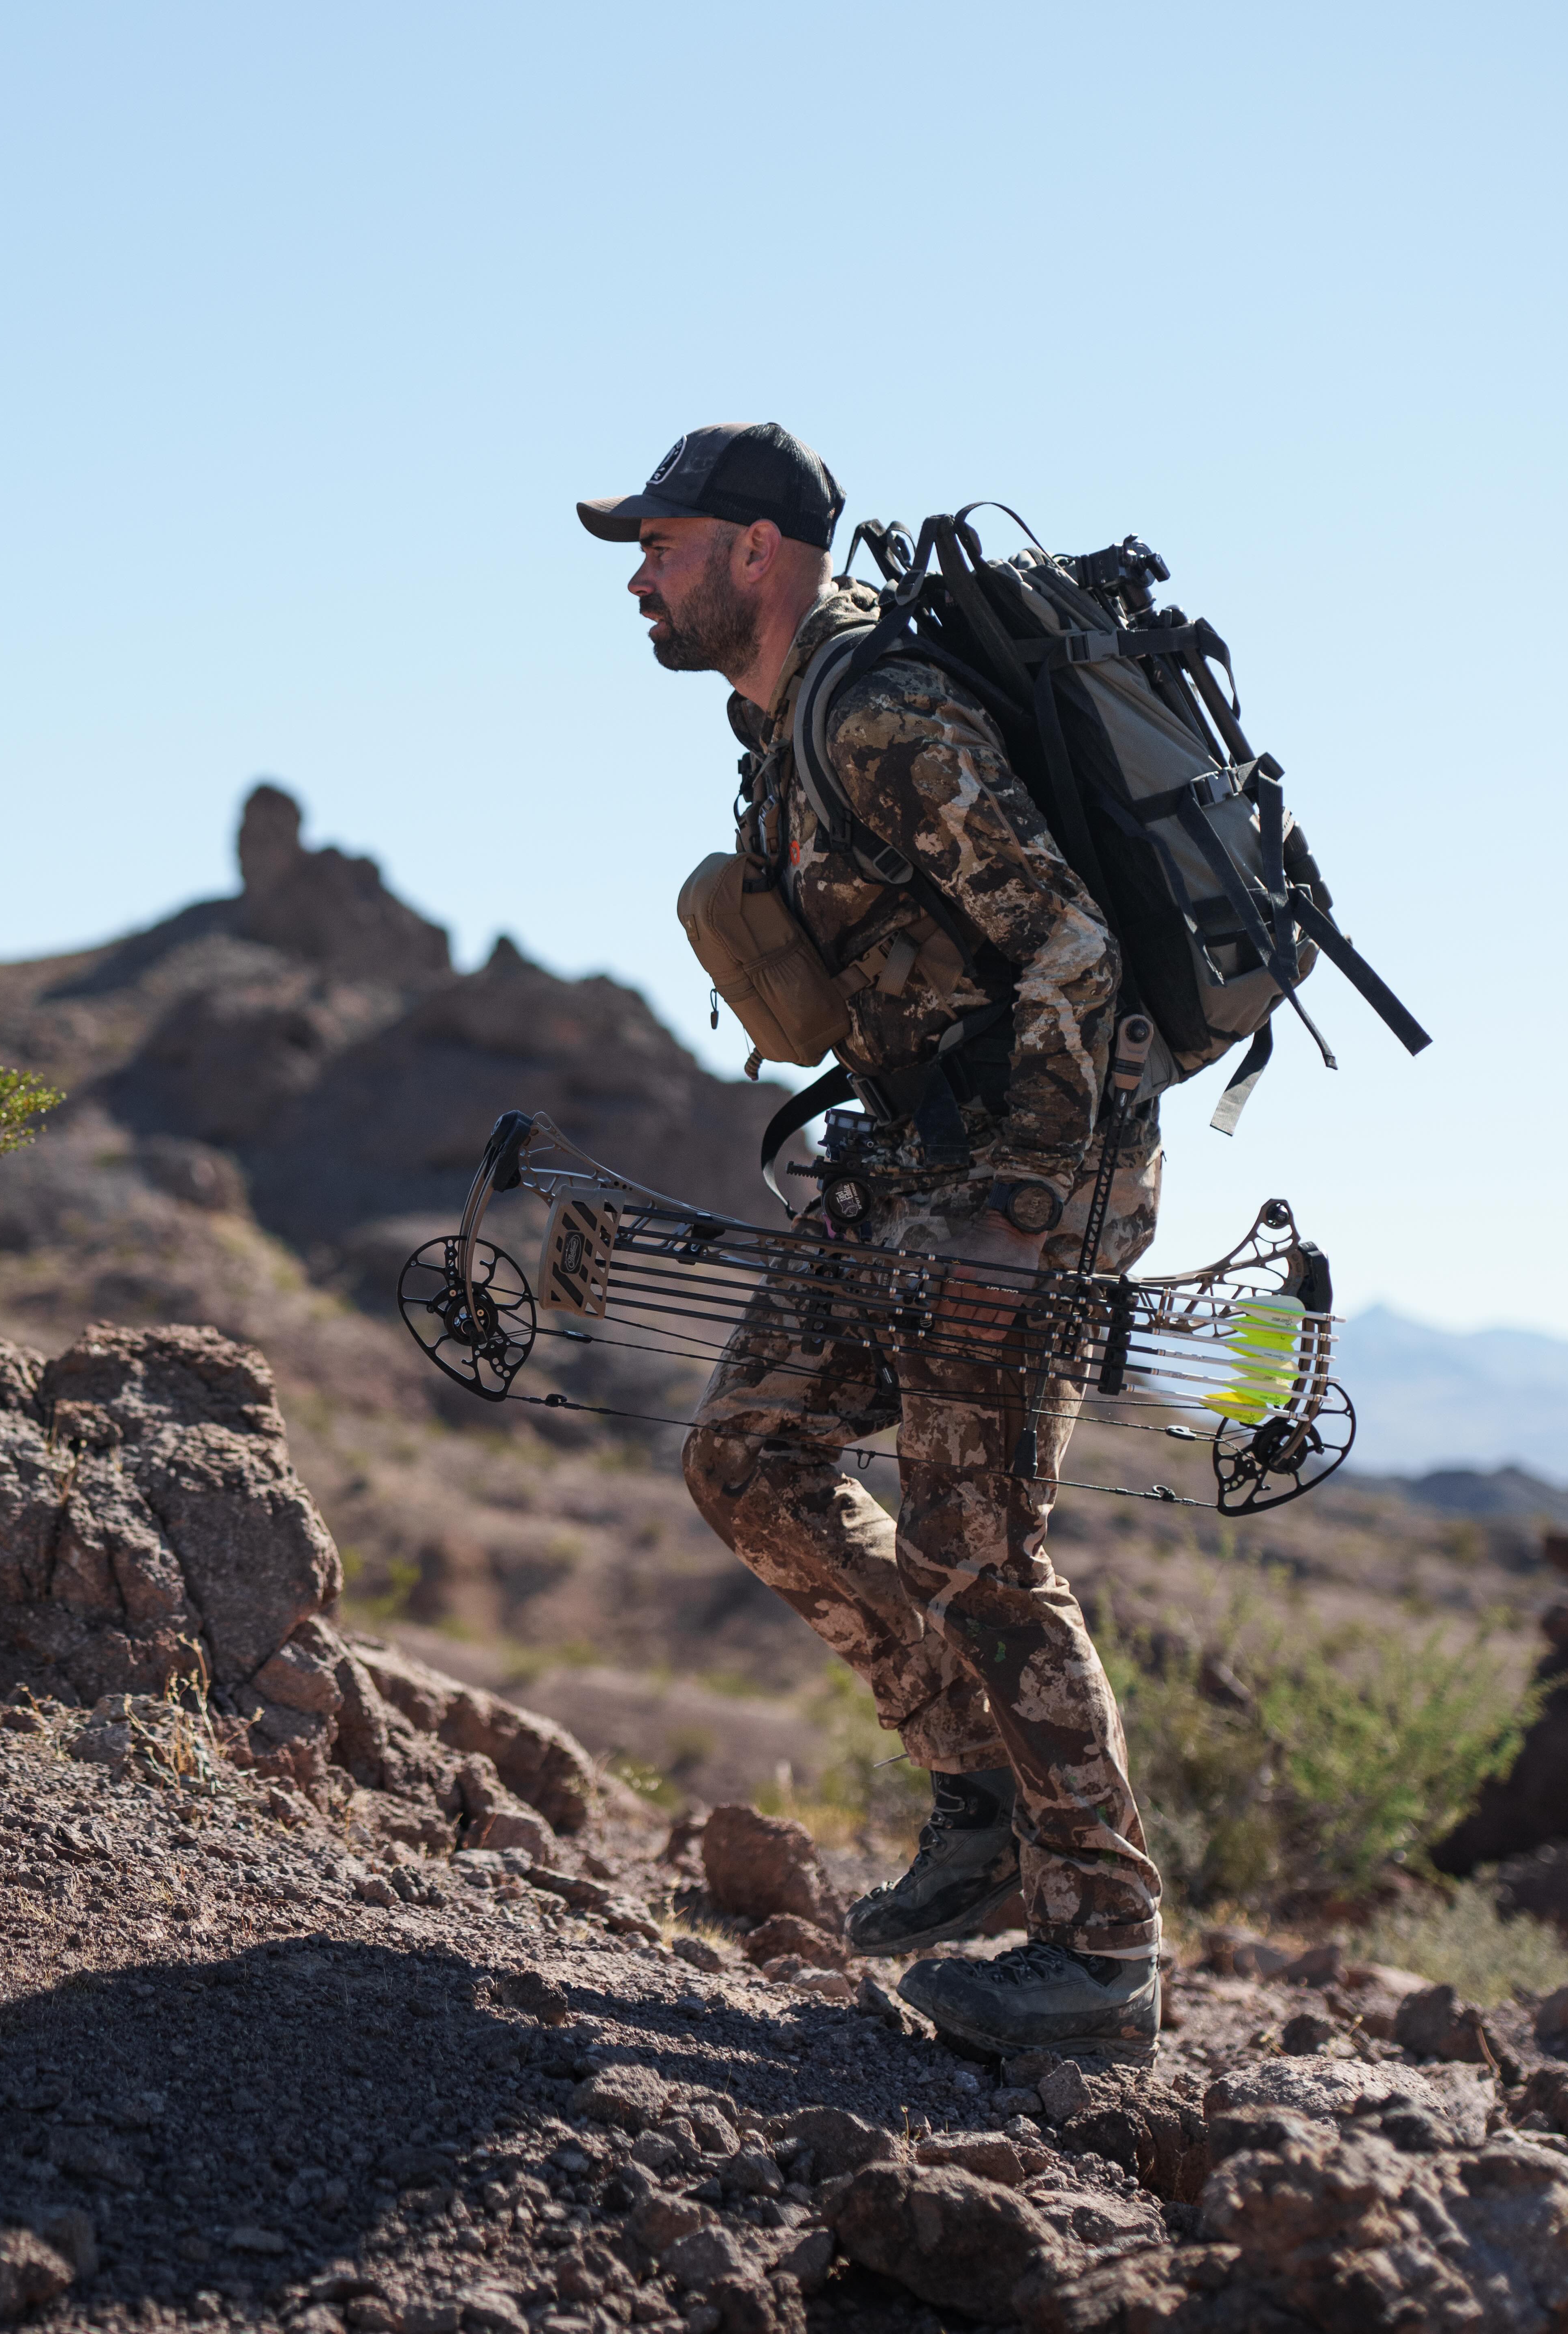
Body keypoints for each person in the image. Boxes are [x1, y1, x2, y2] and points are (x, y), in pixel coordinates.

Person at [577, 423, 1166, 2061]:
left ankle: (1104, 1958)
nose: (640, 577)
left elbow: (1076, 951)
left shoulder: (885, 712)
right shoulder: (774, 736)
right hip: (919, 1170)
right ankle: (977, 1788)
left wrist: (1021, 1212)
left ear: (756, 551)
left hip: (1031, 1182)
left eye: (664, 542)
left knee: (975, 1550)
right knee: (751, 1459)